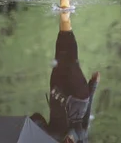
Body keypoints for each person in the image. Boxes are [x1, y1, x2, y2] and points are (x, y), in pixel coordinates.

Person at [30, 11, 100, 143]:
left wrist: (33, 128)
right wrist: (93, 86)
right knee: (71, 61)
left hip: (58, 90)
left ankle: (64, 17)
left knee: (61, 53)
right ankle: (65, 14)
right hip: (79, 97)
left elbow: (36, 118)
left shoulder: (51, 137)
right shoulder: (83, 139)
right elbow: (86, 118)